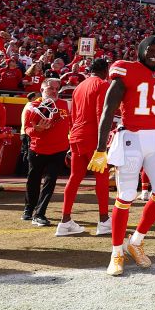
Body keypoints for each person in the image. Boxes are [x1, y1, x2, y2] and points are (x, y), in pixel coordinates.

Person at [87, 36, 155, 276]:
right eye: (150, 49)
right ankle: (116, 251)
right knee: (126, 194)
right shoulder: (125, 69)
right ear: (140, 50)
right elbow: (108, 110)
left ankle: (136, 241)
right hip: (131, 138)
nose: (154, 54)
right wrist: (100, 148)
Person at [58, 58, 111, 235]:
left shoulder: (79, 86)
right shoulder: (102, 84)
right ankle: (104, 220)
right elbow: (100, 114)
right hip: (91, 136)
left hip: (76, 135)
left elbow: (73, 115)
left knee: (74, 178)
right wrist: (103, 141)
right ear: (105, 70)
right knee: (102, 176)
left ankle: (65, 221)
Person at [20, 78, 71, 226]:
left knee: (50, 182)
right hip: (37, 149)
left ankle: (40, 213)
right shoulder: (32, 106)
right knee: (33, 180)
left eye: (57, 88)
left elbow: (71, 123)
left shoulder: (64, 104)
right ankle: (28, 209)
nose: (54, 91)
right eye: (51, 88)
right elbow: (27, 129)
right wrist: (36, 129)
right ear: (42, 90)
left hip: (59, 150)